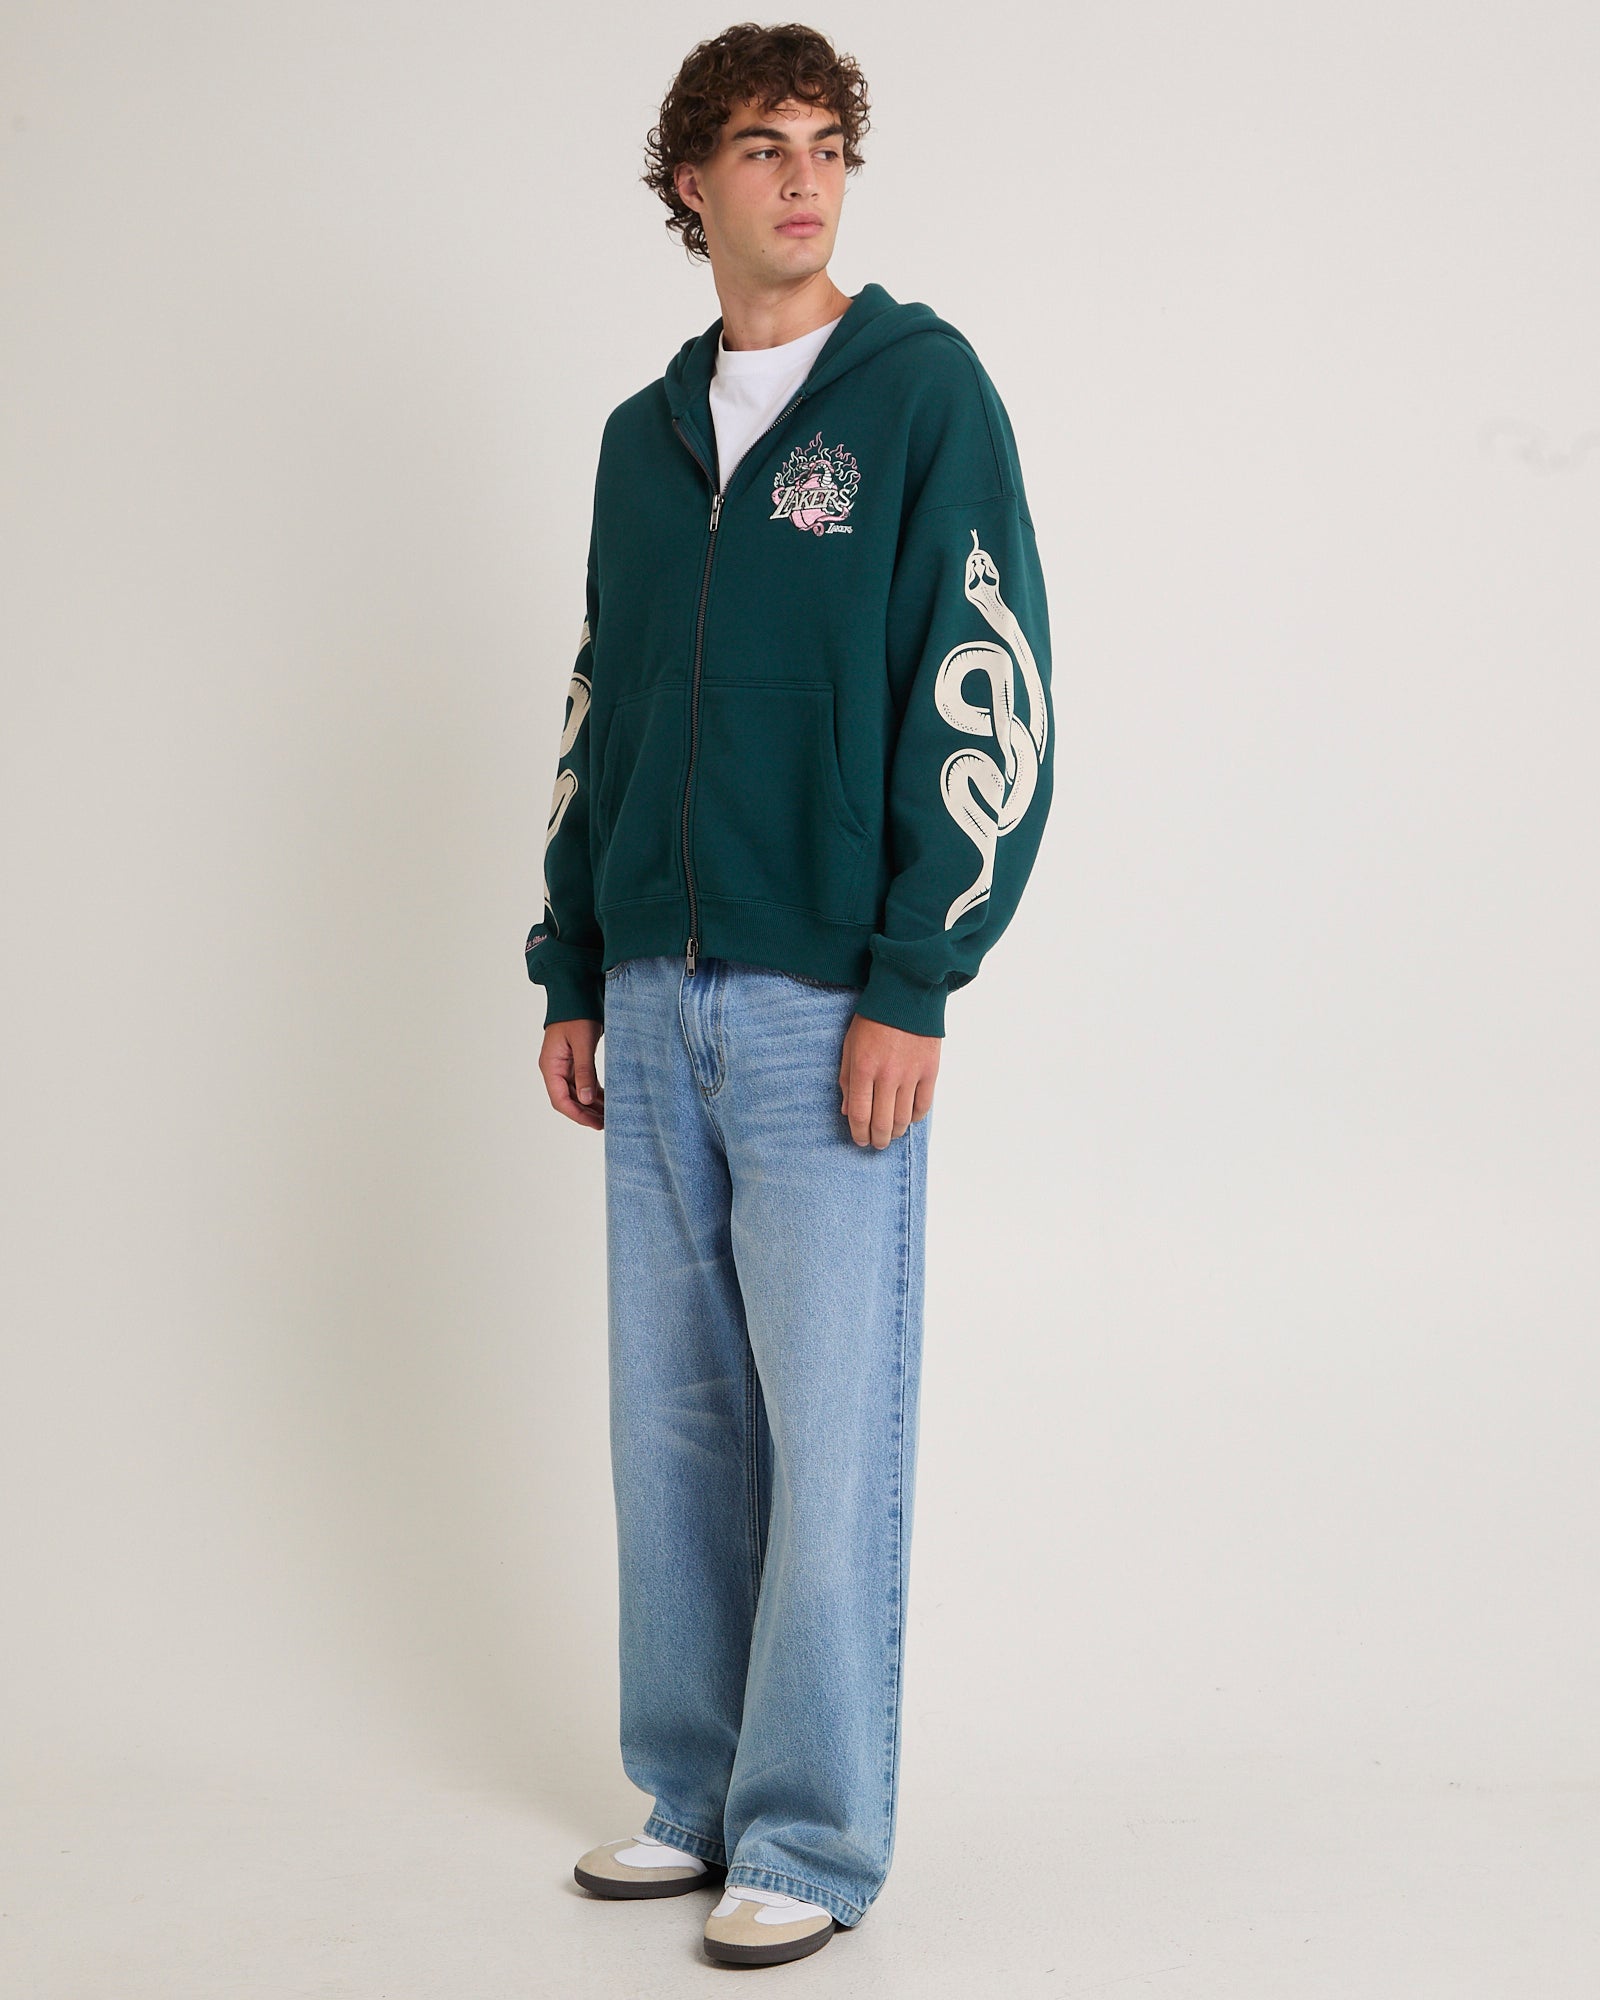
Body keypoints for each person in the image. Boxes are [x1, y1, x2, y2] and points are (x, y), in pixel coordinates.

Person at [525, 22, 1054, 1969]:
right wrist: (571, 959)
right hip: (650, 992)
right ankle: (691, 1792)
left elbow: (985, 686)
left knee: (828, 1430)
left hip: (823, 1002)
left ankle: (812, 1836)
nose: (804, 175)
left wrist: (914, 973)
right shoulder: (640, 437)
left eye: (827, 143)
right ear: (692, 185)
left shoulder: (919, 395)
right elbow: (600, 709)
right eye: (762, 145)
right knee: (672, 1424)